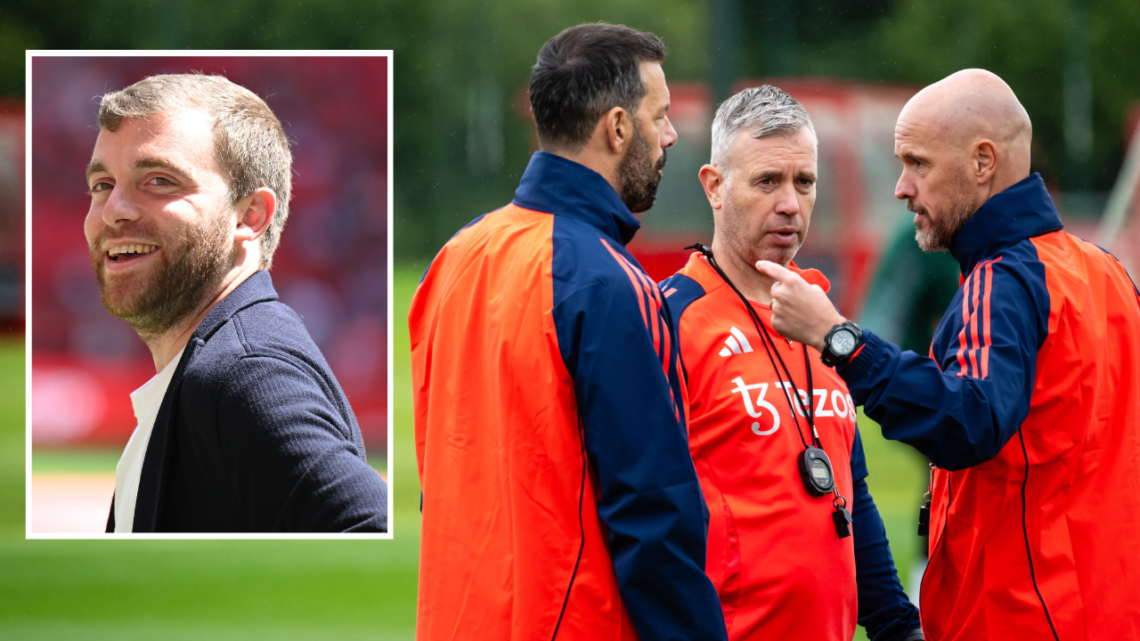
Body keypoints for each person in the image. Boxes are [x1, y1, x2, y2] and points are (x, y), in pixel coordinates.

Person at [757, 69, 1140, 639]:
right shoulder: (1107, 271)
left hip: (1024, 615)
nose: (902, 186)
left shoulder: (1004, 279)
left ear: (983, 162)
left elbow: (968, 420)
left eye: (918, 164)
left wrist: (839, 339)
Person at [409, 23, 727, 641]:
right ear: (616, 128)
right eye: (660, 116)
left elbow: (440, 470)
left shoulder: (455, 256)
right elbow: (651, 510)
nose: (670, 136)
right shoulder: (606, 281)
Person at [660, 86, 923, 641]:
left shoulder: (824, 317)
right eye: (766, 182)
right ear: (714, 187)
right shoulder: (669, 318)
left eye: (804, 182)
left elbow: (850, 492)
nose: (789, 203)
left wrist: (899, 625)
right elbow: (642, 514)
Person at [86, 74, 388, 533]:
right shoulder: (216, 365)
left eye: (159, 180)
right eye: (102, 184)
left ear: (251, 216)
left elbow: (367, 528)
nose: (114, 210)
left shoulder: (245, 374)